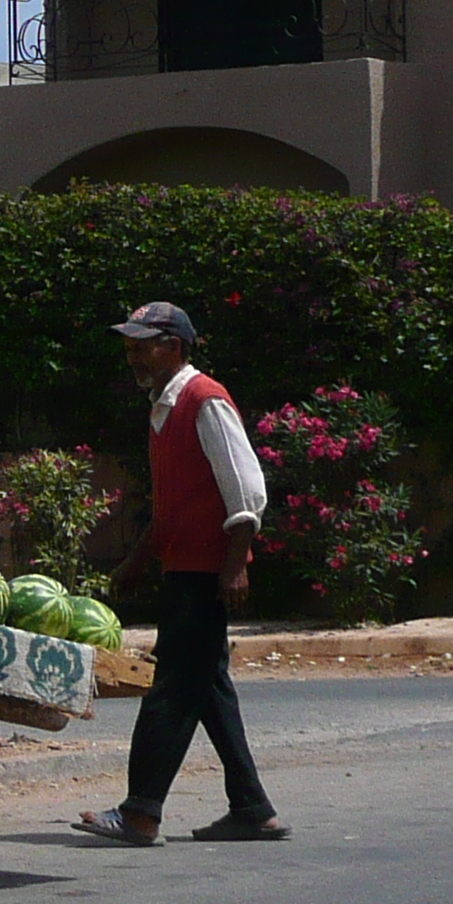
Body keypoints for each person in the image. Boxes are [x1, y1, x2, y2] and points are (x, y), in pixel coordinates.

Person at [75, 301, 290, 846]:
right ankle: (251, 807)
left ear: (173, 346)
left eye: (142, 344)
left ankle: (141, 812)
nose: (133, 355)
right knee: (209, 687)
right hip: (184, 567)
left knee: (170, 688)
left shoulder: (203, 400)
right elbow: (173, 503)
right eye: (129, 345)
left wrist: (235, 563)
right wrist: (135, 562)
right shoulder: (163, 408)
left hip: (205, 571)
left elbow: (245, 488)